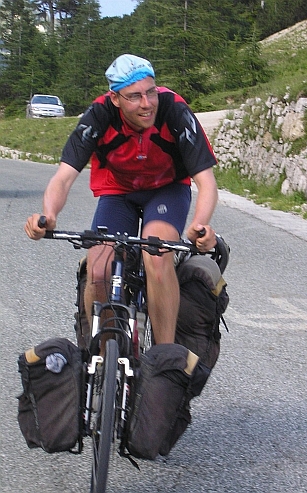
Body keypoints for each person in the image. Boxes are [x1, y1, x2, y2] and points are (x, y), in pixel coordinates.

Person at [25, 53, 218, 345]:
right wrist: (48, 215)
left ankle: (163, 358)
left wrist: (200, 225)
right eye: (135, 96)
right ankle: (105, 356)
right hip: (118, 191)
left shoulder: (174, 109)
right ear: (115, 98)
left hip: (166, 188)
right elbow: (63, 177)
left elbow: (207, 182)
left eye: (151, 92)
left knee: (157, 252)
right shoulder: (99, 115)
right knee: (99, 268)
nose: (147, 103)